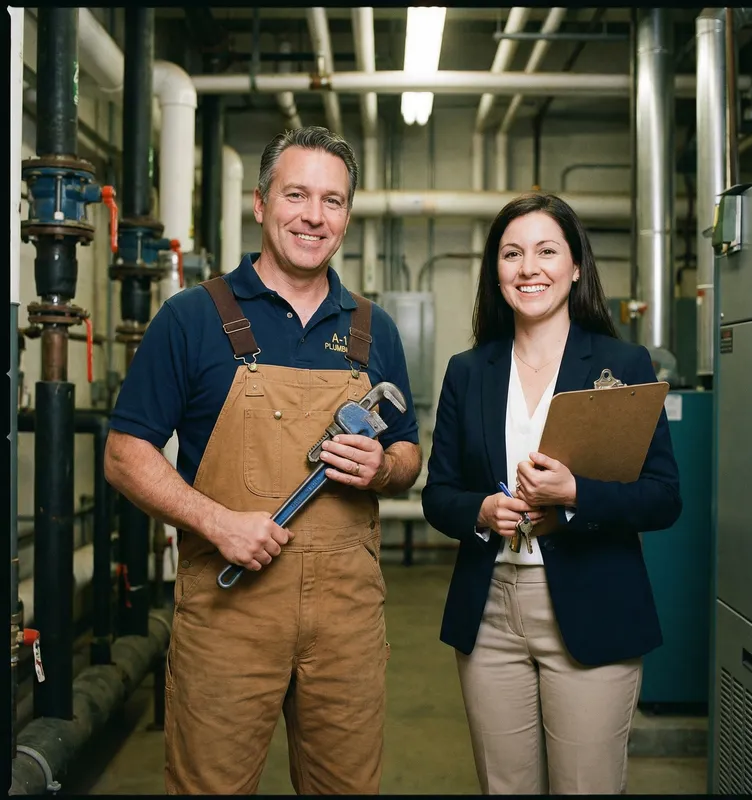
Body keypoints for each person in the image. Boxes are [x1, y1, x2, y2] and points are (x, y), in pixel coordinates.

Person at [105, 125, 422, 795]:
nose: (314, 216)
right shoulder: (191, 318)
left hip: (346, 620)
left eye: (332, 201)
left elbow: (408, 452)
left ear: (347, 215)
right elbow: (125, 454)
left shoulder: (373, 329)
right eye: (297, 194)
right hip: (229, 617)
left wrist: (384, 470)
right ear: (260, 203)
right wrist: (218, 523)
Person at [421, 192, 681, 795]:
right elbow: (439, 495)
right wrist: (482, 510)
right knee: (504, 786)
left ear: (575, 267)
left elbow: (664, 496)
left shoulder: (622, 363)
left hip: (591, 602)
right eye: (511, 253)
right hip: (489, 611)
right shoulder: (468, 370)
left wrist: (575, 494)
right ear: (496, 270)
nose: (528, 268)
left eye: (546, 251)